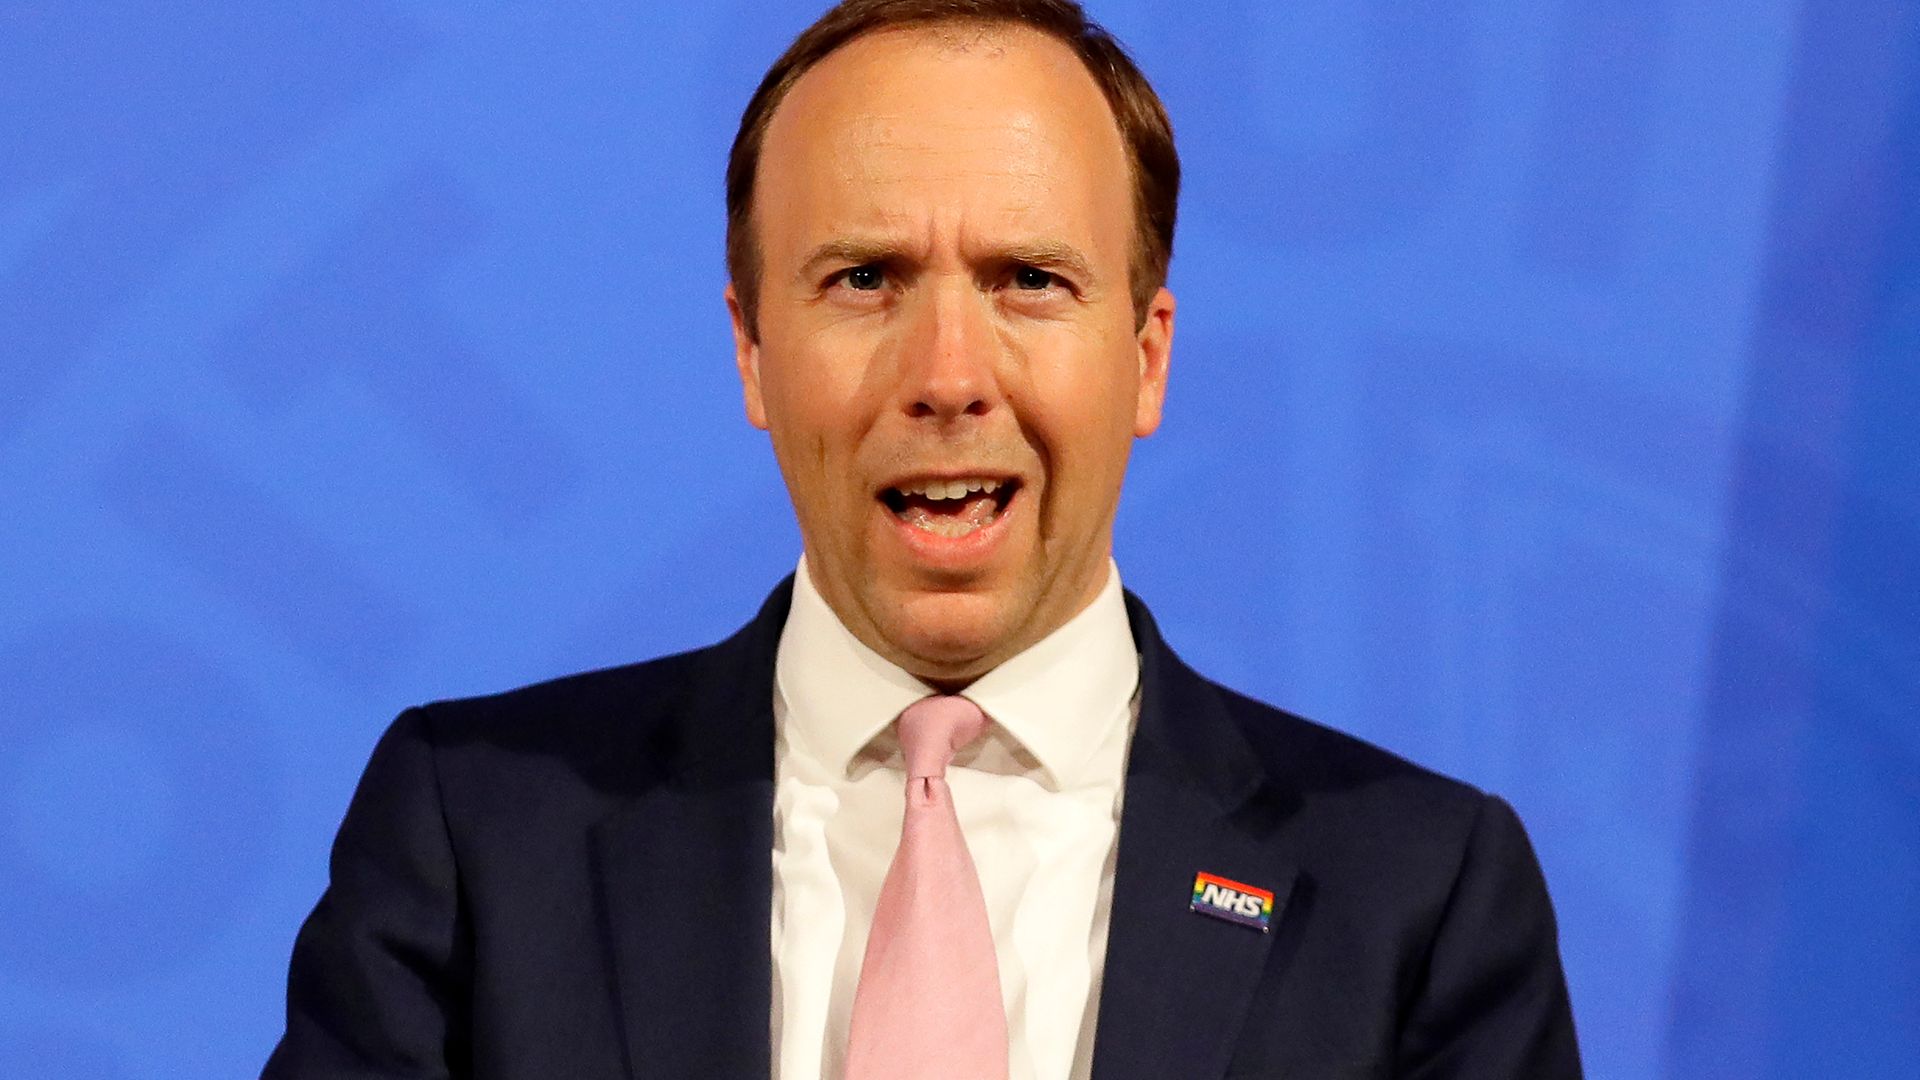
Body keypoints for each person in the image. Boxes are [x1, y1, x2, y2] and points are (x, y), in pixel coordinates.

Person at [264, 1, 1582, 1077]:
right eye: (864, 280)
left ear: (1145, 356)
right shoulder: (480, 838)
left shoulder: (1420, 895)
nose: (949, 375)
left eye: (1029, 280)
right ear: (753, 352)